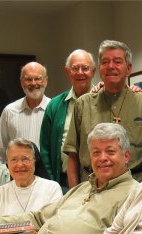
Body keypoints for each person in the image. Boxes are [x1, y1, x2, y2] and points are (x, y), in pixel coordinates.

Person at [0, 123, 138, 234]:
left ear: (126, 156)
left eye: (110, 151)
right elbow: (38, 218)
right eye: (96, 152)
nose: (102, 158)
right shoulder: (82, 188)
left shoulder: (135, 194)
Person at [63, 40, 142, 188]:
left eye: (117, 61)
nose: (110, 66)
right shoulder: (83, 104)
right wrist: (75, 192)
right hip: (92, 185)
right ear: (99, 69)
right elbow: (72, 155)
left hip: (135, 186)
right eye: (105, 62)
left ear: (128, 69)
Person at [40, 50, 96, 191]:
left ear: (93, 71)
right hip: (62, 183)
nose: (80, 72)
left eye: (85, 68)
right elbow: (45, 149)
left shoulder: (103, 101)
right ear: (67, 71)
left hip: (98, 180)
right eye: (75, 68)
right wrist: (52, 183)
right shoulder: (54, 105)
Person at [0, 62, 50, 163]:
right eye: (28, 79)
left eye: (38, 78)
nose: (33, 83)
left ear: (45, 81)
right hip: (17, 174)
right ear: (21, 83)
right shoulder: (9, 111)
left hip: (49, 176)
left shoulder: (55, 109)